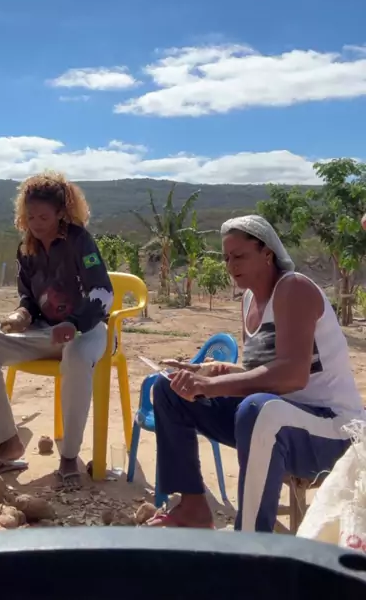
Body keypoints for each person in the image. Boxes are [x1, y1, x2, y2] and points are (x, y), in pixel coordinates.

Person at [148, 214, 364, 531]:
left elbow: (292, 376)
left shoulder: (294, 288)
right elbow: (259, 373)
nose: (230, 265)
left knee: (259, 410)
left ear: (267, 253)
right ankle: (193, 508)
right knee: (168, 390)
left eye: (239, 256)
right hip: (275, 418)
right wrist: (211, 373)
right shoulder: (249, 300)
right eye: (226, 258)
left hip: (332, 430)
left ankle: (250, 537)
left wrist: (210, 387)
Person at [0, 172, 113, 484]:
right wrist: (21, 315)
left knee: (77, 357)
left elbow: (103, 293)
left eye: (44, 217)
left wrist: (74, 323)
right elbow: (29, 298)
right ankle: (7, 443)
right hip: (44, 332)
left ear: (61, 213)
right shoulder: (26, 249)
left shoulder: (79, 241)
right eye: (30, 217)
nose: (36, 224)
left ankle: (69, 455)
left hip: (87, 331)